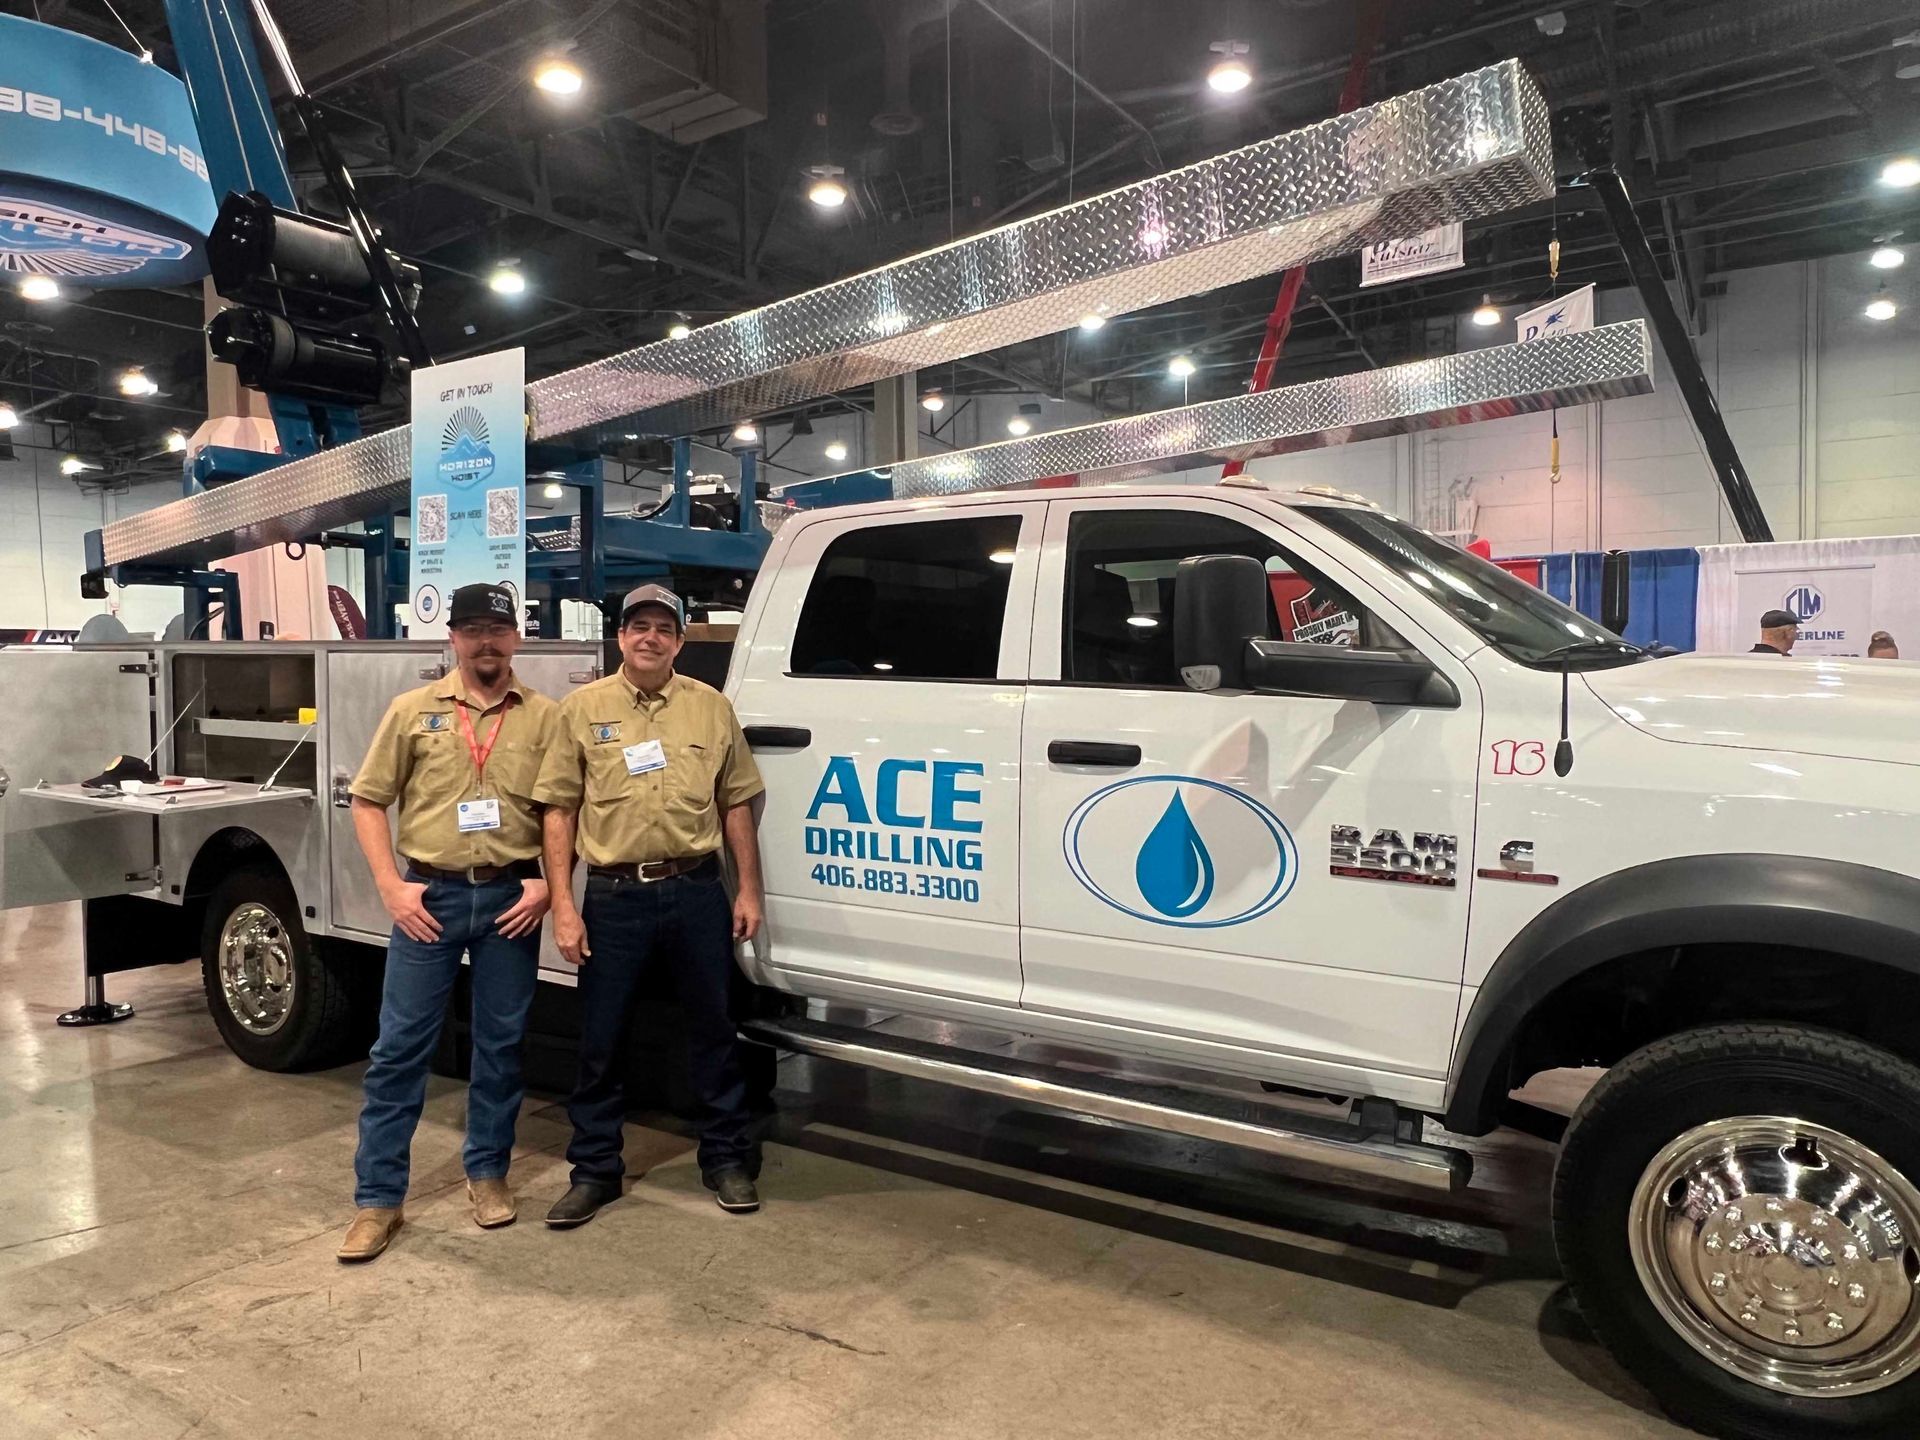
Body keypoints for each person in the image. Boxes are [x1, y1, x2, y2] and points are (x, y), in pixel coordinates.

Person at [337, 583, 559, 1262]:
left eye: (498, 628)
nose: (486, 641)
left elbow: (562, 809)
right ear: (453, 638)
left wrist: (549, 883)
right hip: (428, 900)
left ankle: (487, 1172)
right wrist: (390, 888)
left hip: (510, 903)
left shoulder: (545, 717)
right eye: (473, 629)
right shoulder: (413, 711)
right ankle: (379, 1200)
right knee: (399, 1048)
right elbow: (368, 801)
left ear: (516, 637)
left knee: (501, 1044)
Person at [534, 583, 767, 1227]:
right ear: (620, 636)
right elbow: (559, 811)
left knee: (714, 1031)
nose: (650, 637)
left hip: (696, 891)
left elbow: (736, 802)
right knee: (602, 1039)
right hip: (614, 899)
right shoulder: (581, 710)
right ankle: (595, 1171)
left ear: (680, 642)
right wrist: (563, 905)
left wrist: (748, 889)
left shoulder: (711, 708)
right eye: (639, 626)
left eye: (664, 628)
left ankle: (726, 1159)